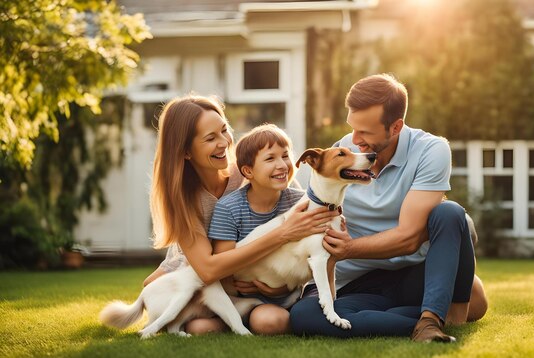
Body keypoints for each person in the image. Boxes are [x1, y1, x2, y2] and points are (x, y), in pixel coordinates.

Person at [289, 74, 488, 342]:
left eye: (365, 132)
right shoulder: (343, 153)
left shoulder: (431, 151)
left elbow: (409, 237)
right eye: (352, 128)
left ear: (395, 127)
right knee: (304, 317)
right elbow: (305, 212)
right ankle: (434, 317)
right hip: (357, 285)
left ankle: (429, 317)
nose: (353, 139)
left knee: (451, 213)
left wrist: (349, 249)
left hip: (414, 275)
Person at [142, 95, 338, 334]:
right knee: (151, 289)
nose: (224, 142)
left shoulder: (256, 169)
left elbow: (305, 232)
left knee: (254, 321)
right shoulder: (183, 197)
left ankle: (235, 316)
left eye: (224, 130)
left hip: (255, 270)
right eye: (210, 138)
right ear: (186, 152)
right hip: (198, 264)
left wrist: (286, 285)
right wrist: (283, 233)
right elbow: (207, 270)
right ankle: (232, 315)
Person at [188, 124, 305, 335]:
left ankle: (244, 322)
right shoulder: (229, 208)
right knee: (199, 328)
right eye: (270, 159)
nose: (282, 165)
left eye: (286, 156)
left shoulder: (300, 202)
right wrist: (250, 284)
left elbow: (313, 256)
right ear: (248, 171)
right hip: (242, 297)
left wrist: (284, 287)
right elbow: (225, 267)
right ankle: (236, 320)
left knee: (272, 322)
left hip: (286, 294)